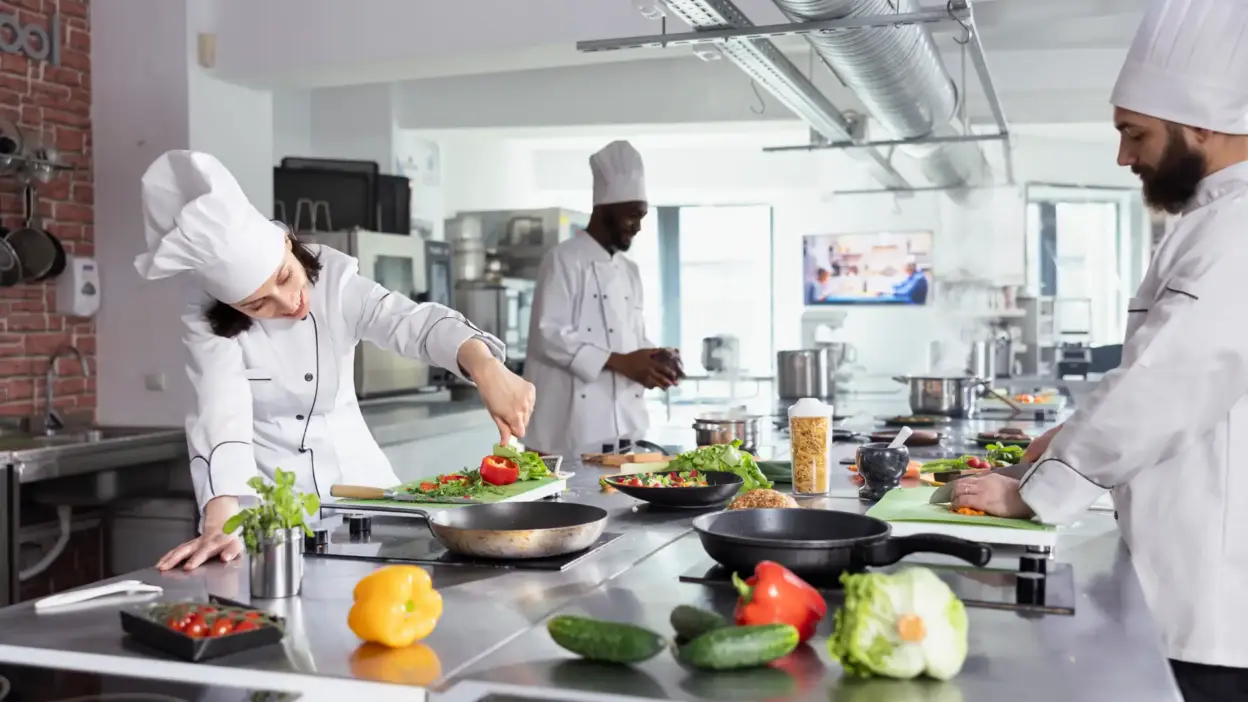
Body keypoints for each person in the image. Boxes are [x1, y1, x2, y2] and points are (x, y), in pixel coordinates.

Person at [950, 1, 1248, 699]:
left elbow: (1173, 376)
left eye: (1133, 133)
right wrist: (1067, 436)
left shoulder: (1236, 229)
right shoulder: (1213, 217)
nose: (1123, 156)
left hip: (1211, 600)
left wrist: (1037, 491)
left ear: (1200, 122)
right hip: (1189, 573)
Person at [135, 151, 535, 571]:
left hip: (369, 501)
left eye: (285, 277)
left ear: (288, 244)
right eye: (258, 304)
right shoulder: (207, 322)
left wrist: (486, 366)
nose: (288, 303)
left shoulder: (335, 284)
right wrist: (218, 522)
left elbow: (411, 323)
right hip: (277, 516)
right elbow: (219, 414)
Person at [524, 140, 681, 457]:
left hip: (624, 426)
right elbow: (548, 334)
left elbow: (630, 335)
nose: (637, 227)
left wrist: (654, 358)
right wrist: (622, 362)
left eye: (642, 217)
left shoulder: (629, 270)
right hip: (565, 430)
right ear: (604, 209)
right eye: (631, 216)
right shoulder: (563, 260)